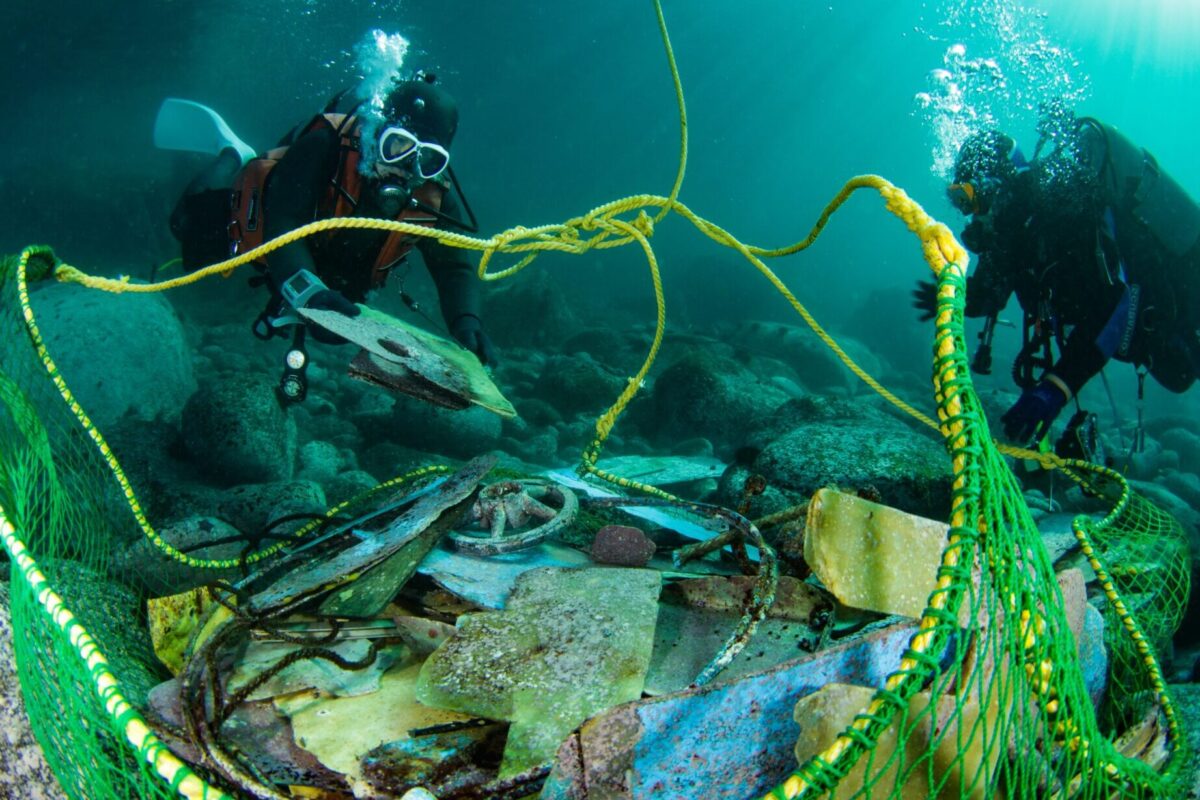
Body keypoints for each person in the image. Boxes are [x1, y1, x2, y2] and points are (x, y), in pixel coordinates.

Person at [169, 73, 495, 402]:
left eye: (427, 159)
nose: (407, 168)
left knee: (332, 332)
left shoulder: (432, 194)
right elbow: (284, 222)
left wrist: (466, 321)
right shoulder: (324, 145)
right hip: (275, 230)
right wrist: (308, 293)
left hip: (332, 269)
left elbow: (453, 267)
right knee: (190, 232)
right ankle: (232, 155)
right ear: (376, 133)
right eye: (398, 146)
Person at [914, 110, 1200, 446]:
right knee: (1177, 373)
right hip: (1151, 335)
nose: (967, 212)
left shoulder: (1063, 206)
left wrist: (1057, 388)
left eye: (967, 196)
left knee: (1181, 368)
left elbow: (1117, 306)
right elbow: (990, 292)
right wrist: (952, 294)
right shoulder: (1010, 236)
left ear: (996, 185)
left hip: (1179, 304)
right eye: (957, 200)